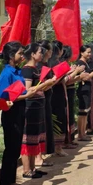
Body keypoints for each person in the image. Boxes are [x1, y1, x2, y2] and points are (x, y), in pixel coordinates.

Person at [0, 42, 36, 185]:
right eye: (20, 53)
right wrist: (26, 96)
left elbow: (21, 90)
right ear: (10, 55)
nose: (22, 56)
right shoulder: (6, 73)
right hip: (11, 112)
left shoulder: (18, 71)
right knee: (11, 149)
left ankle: (11, 180)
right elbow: (3, 97)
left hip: (20, 110)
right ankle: (6, 181)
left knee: (15, 150)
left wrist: (29, 92)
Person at [21, 43, 56, 178]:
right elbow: (28, 89)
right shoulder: (27, 70)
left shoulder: (35, 69)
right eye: (40, 52)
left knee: (36, 137)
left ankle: (33, 168)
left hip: (39, 105)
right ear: (32, 54)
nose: (42, 55)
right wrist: (45, 83)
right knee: (28, 137)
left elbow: (40, 87)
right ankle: (26, 170)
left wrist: (50, 83)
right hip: (31, 106)